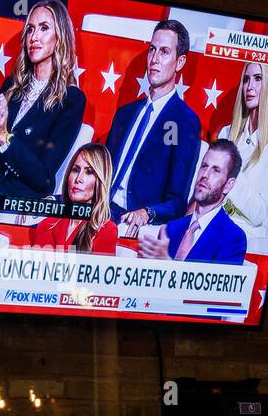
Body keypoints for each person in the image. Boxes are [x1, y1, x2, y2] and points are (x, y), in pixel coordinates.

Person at [0, 0, 87, 200]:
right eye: (31, 29)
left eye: (44, 28)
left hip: (21, 200)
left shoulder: (71, 99)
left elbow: (43, 179)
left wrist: (5, 138)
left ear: (60, 37)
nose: (34, 37)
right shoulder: (11, 87)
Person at [102, 19, 201, 236]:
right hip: (100, 213)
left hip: (133, 225)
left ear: (180, 62)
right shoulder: (125, 114)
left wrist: (146, 213)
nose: (154, 59)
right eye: (152, 50)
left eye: (164, 52)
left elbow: (176, 201)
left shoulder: (183, 121)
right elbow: (102, 173)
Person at [214, 61, 268, 255]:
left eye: (258, 79)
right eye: (246, 79)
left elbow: (258, 213)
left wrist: (227, 170)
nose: (249, 87)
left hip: (249, 242)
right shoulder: (227, 133)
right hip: (214, 230)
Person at [139, 140, 246, 265]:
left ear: (228, 185)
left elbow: (214, 285)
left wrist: (167, 263)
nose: (205, 175)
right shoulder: (171, 229)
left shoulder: (233, 238)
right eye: (204, 166)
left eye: (216, 170)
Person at [29, 143, 117, 255]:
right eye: (75, 170)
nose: (78, 179)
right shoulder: (46, 225)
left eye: (89, 172)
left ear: (100, 181)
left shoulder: (106, 231)